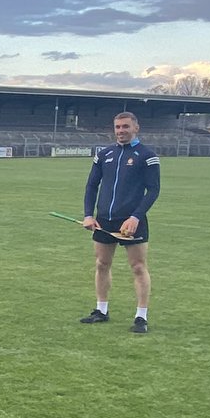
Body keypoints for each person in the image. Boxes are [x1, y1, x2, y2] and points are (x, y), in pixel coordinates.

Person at [79, 111, 161, 334]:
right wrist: (89, 214)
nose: (121, 131)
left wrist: (135, 216)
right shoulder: (104, 154)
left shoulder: (147, 155)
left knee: (138, 267)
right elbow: (91, 186)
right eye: (117, 127)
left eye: (125, 126)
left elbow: (153, 190)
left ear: (136, 128)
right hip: (104, 219)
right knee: (101, 264)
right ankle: (101, 310)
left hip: (132, 221)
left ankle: (141, 317)